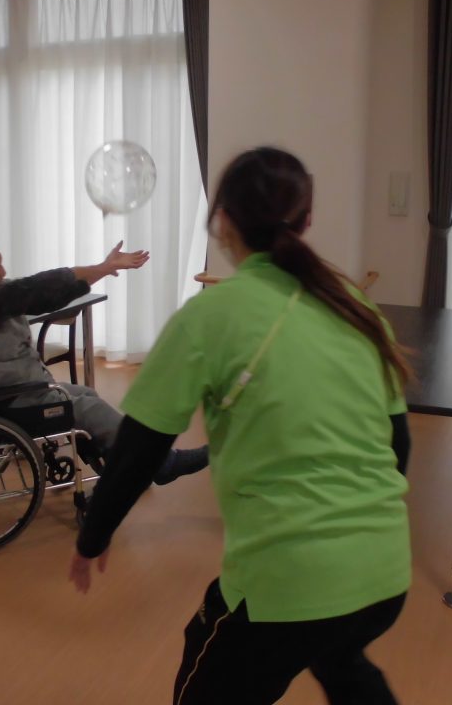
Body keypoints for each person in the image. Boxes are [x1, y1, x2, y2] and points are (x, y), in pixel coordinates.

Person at [68, 147, 414, 704]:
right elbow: (398, 444)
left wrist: (93, 535)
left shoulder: (211, 316)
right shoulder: (355, 305)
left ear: (223, 221)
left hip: (290, 578)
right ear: (307, 220)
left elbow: (139, 450)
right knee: (339, 657)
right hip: (386, 571)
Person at [0, 230, 208, 484]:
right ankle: (160, 464)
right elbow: (35, 290)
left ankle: (124, 463)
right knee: (88, 409)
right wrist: (101, 268)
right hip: (4, 398)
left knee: (86, 394)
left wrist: (102, 269)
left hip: (10, 390)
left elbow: (44, 295)